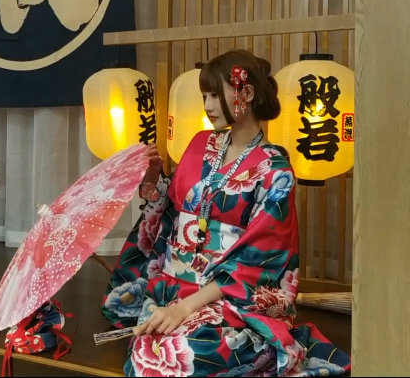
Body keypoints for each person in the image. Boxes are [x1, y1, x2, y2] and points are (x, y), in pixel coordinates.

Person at [101, 50, 351, 377]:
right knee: (152, 345)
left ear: (246, 94)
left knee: (188, 353)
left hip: (230, 296)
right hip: (174, 284)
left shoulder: (275, 170)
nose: (207, 105)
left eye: (215, 95)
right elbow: (172, 210)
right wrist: (153, 177)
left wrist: (185, 308)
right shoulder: (200, 143)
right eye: (204, 96)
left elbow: (259, 259)